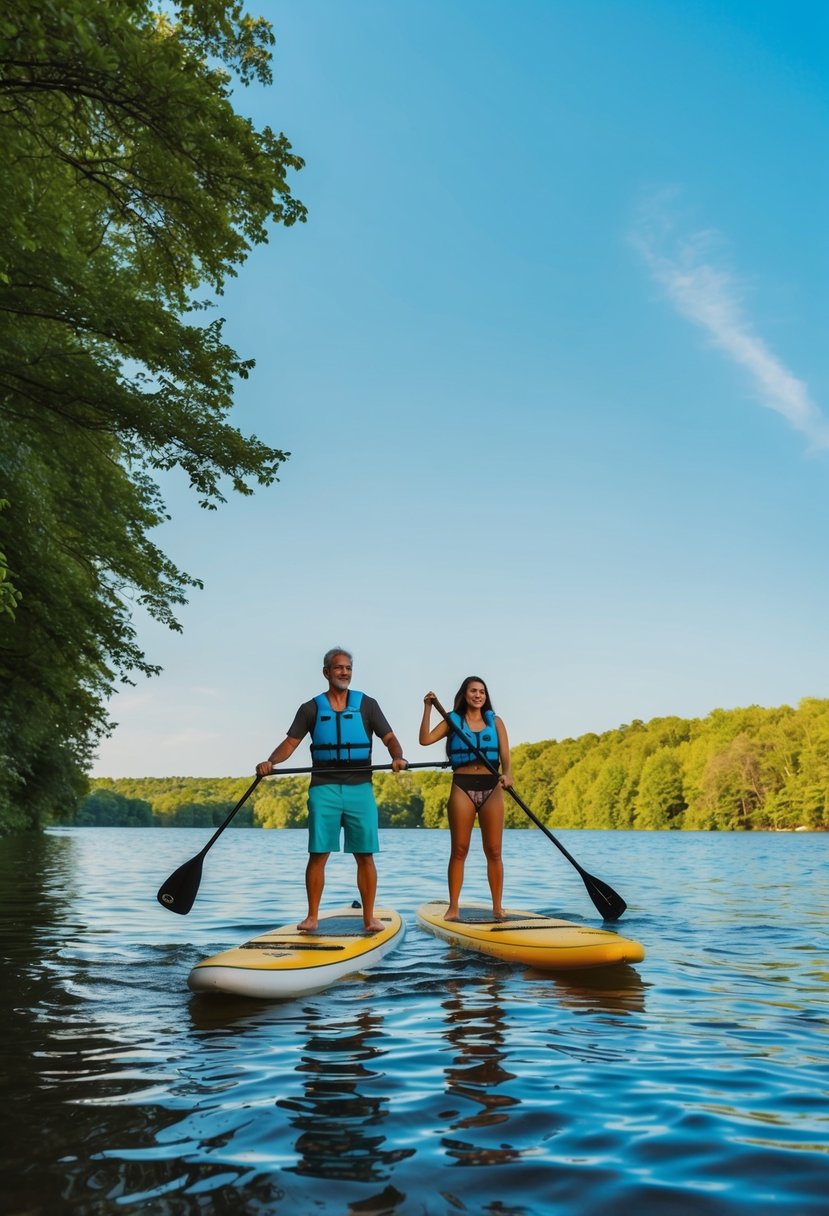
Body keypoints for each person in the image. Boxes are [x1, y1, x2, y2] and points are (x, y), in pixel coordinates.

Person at [256, 648, 407, 932]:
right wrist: (271, 762)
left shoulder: (368, 705)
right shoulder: (310, 708)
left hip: (359, 787)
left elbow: (390, 739)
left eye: (348, 668)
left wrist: (397, 756)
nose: (344, 672)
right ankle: (312, 916)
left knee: (365, 854)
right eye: (338, 668)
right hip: (323, 788)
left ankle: (369, 917)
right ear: (326, 672)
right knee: (318, 852)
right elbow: (290, 743)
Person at [419, 677, 513, 921]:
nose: (478, 695)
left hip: (492, 787)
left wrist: (507, 774)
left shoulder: (496, 721)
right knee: (459, 850)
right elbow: (425, 739)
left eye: (482, 691)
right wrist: (428, 708)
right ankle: (453, 907)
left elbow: (504, 753)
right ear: (465, 694)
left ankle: (497, 907)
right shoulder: (453, 720)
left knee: (494, 851)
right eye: (473, 691)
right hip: (462, 786)